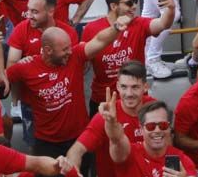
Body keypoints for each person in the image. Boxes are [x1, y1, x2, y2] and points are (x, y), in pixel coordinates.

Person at [7, 19, 132, 157]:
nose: (69, 52)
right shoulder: (27, 67)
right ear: (48, 50)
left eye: (70, 47)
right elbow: (2, 81)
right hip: (47, 144)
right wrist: (15, 98)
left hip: (79, 138)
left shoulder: (75, 56)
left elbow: (99, 41)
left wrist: (115, 28)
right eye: (64, 49)